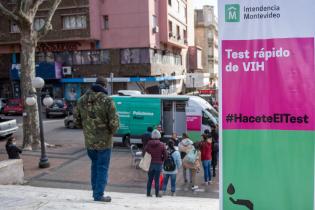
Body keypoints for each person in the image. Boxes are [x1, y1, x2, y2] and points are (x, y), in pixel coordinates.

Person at [74, 76, 119, 202]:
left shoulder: (81, 100)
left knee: (95, 166)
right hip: (104, 142)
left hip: (89, 142)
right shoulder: (107, 101)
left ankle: (95, 191)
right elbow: (114, 124)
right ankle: (98, 194)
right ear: (105, 86)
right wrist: (110, 132)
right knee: (102, 167)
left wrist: (88, 129)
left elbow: (76, 121)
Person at [144, 129, 167, 197]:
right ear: (159, 136)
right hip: (158, 164)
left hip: (150, 164)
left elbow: (144, 153)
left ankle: (148, 193)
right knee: (157, 180)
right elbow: (166, 155)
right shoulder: (162, 144)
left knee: (150, 179)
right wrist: (162, 160)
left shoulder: (148, 144)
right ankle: (157, 194)